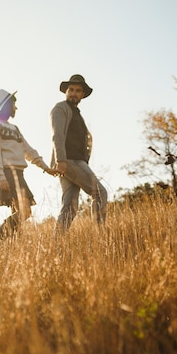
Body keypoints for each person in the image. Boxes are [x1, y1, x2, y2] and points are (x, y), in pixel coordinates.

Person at [0, 89, 57, 247]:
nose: (16, 108)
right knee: (25, 211)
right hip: (8, 173)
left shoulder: (15, 129)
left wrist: (46, 168)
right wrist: (0, 176)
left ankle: (10, 249)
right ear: (6, 106)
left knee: (18, 217)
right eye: (13, 104)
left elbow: (28, 151)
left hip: (19, 174)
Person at [50, 74, 107, 234]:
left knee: (70, 206)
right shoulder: (60, 108)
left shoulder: (76, 113)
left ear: (82, 95)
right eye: (71, 90)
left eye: (78, 91)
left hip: (74, 161)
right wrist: (60, 160)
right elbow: (57, 135)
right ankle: (100, 236)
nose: (74, 93)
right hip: (68, 160)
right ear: (66, 92)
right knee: (100, 193)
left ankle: (57, 242)